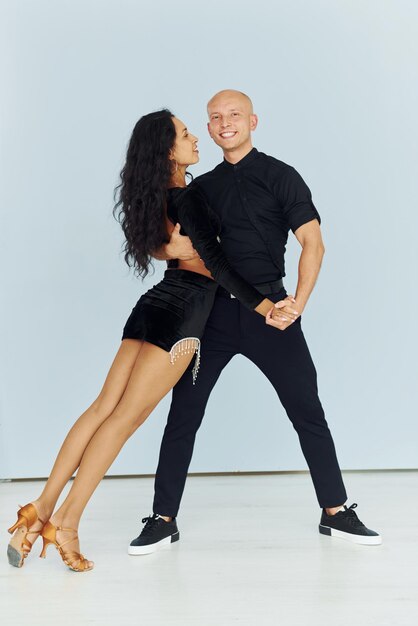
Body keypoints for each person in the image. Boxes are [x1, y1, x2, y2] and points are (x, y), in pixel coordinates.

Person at [7, 109, 288, 572]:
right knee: (122, 421)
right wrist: (263, 306)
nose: (195, 136)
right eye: (185, 133)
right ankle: (68, 523)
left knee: (102, 409)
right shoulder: (188, 195)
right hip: (184, 314)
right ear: (168, 150)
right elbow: (216, 264)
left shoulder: (154, 196)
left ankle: (41, 507)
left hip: (152, 306)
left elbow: (158, 245)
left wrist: (167, 249)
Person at [129, 90, 381, 555]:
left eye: (235, 115)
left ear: (253, 121)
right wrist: (167, 250)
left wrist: (297, 304)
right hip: (212, 316)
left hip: (275, 316)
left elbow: (313, 243)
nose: (225, 123)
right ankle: (162, 518)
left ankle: (336, 511)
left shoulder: (281, 176)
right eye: (215, 118)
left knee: (308, 410)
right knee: (184, 414)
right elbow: (164, 243)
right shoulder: (198, 189)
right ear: (208, 128)